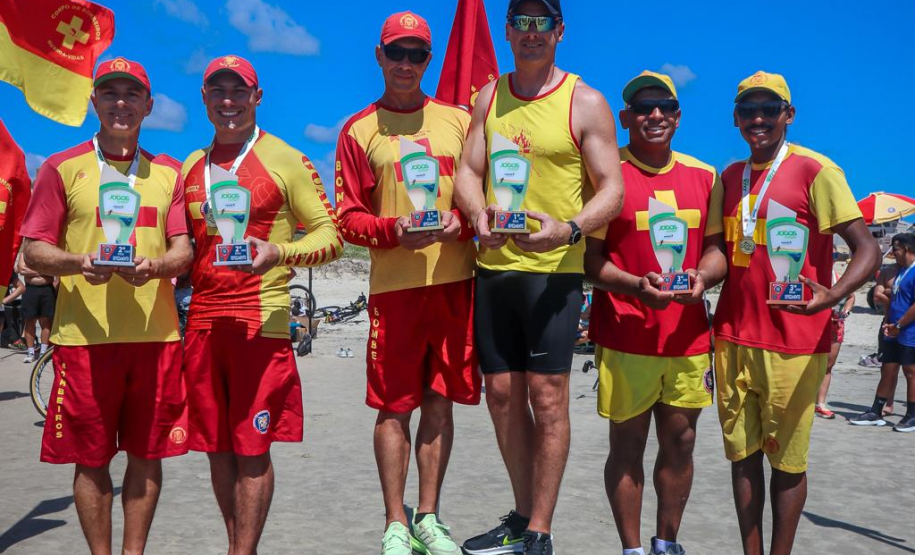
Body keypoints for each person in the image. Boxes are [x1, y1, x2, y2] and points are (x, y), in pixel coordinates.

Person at [454, 1, 625, 553]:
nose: (531, 32)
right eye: (521, 23)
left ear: (559, 31)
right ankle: (523, 513)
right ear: (507, 31)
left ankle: (541, 531)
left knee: (547, 398)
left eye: (542, 22)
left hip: (553, 274)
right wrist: (477, 214)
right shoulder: (489, 96)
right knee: (502, 397)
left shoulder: (585, 100)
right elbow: (467, 172)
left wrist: (569, 230)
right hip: (494, 270)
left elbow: (613, 190)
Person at [20, 57, 193, 555]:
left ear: (149, 105)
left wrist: (157, 267)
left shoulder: (169, 172)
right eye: (110, 93)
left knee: (147, 455)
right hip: (84, 340)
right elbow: (33, 249)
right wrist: (77, 262)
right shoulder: (60, 167)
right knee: (90, 459)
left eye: (132, 94)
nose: (121, 103)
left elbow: (183, 249)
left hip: (155, 339)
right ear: (93, 101)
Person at [181, 55, 343, 555]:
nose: (228, 101)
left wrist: (279, 252)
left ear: (257, 97)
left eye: (239, 91)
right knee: (216, 449)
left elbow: (331, 235)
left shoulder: (287, 158)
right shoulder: (190, 166)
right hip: (203, 322)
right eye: (218, 91)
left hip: (262, 321)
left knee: (252, 449)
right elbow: (183, 249)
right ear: (204, 99)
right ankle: (238, 547)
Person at [712, 71, 879, 555]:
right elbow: (722, 253)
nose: (758, 119)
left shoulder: (816, 170)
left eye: (770, 109)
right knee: (742, 458)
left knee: (787, 462)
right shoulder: (729, 176)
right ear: (736, 118)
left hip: (794, 342)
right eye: (748, 110)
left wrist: (832, 295)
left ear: (789, 114)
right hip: (732, 336)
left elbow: (867, 249)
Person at [334, 12, 479, 555]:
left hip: (454, 283)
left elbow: (484, 200)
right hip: (394, 292)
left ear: (429, 59)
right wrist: (393, 231)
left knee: (440, 401)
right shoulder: (358, 130)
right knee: (394, 405)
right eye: (396, 52)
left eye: (417, 54)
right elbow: (348, 217)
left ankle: (429, 517)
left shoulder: (460, 121)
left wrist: (461, 223)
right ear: (379, 56)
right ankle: (395, 521)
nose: (405, 63)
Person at [584, 71, 727, 555]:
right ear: (625, 118)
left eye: (665, 106)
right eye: (643, 107)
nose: (655, 115)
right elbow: (590, 261)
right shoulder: (607, 175)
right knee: (626, 447)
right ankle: (631, 549)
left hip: (688, 337)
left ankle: (667, 543)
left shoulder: (705, 176)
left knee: (681, 442)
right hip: (627, 335)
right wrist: (634, 287)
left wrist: (702, 278)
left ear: (679, 116)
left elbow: (716, 251)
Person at [849, 232, 915, 431]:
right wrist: (888, 322)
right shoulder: (901, 271)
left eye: (896, 249)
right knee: (888, 369)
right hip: (892, 328)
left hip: (909, 330)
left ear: (907, 249)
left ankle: (911, 416)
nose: (893, 253)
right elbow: (892, 299)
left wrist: (899, 325)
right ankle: (876, 412)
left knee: (910, 372)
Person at [814, 248, 856, 418]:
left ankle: (820, 404)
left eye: (833, 255)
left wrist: (845, 312)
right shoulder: (814, 274)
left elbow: (851, 296)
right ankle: (806, 402)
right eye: (828, 254)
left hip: (834, 325)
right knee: (808, 363)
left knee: (828, 365)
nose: (830, 258)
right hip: (815, 325)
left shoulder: (838, 277)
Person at [16, 253, 55, 363]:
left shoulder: (48, 253)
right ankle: (31, 352)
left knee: (46, 321)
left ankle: (43, 352)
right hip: (30, 289)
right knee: (29, 321)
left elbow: (53, 271)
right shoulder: (25, 253)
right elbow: (22, 270)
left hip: (47, 289)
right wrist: (43, 271)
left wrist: (32, 270)